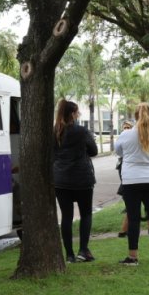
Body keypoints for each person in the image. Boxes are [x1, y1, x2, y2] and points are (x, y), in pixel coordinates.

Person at [115, 102, 149, 265]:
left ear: (135, 116)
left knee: (133, 218)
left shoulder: (125, 135)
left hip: (131, 180)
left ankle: (133, 257)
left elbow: (119, 152)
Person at [53, 99, 98, 263]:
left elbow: (52, 154)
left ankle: (69, 255)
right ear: (72, 113)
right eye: (77, 112)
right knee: (86, 214)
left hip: (61, 180)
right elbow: (94, 151)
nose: (78, 114)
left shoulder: (55, 131)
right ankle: (83, 250)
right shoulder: (81, 131)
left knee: (66, 216)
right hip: (82, 179)